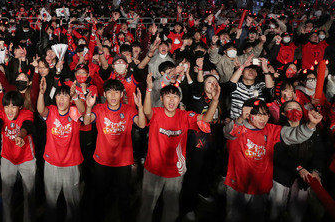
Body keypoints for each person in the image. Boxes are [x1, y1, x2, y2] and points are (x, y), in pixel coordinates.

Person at [223, 98, 323, 222]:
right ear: (248, 114)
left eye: (265, 114)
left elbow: (294, 135)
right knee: (234, 217)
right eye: (258, 114)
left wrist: (311, 125)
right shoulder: (239, 128)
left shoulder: (271, 130)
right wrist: (240, 119)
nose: (262, 118)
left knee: (257, 217)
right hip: (237, 185)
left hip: (260, 187)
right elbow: (228, 133)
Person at [137, 76, 220, 222]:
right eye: (167, 96)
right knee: (147, 207)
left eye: (175, 97)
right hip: (153, 169)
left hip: (175, 171)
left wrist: (215, 101)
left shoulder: (185, 116)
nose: (171, 100)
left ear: (179, 100)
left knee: (171, 208)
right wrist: (149, 90)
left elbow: (206, 119)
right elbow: (147, 111)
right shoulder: (156, 113)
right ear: (161, 99)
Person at [83, 79, 146, 221]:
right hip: (102, 160)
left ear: (122, 94)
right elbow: (87, 122)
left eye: (116, 92)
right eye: (109, 92)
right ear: (104, 94)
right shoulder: (99, 109)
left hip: (123, 161)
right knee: (100, 194)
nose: (113, 96)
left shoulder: (129, 110)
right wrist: (88, 107)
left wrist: (140, 107)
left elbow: (142, 125)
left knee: (123, 195)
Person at [269, 100, 325, 222]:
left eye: (298, 108)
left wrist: (316, 171)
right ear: (283, 113)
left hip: (304, 178)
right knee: (275, 210)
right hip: (281, 177)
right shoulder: (278, 130)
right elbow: (278, 155)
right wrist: (299, 168)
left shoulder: (313, 131)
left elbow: (318, 154)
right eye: (290, 108)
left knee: (297, 214)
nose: (295, 111)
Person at [37, 82, 85, 222]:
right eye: (59, 95)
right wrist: (41, 93)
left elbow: (84, 111)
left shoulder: (74, 111)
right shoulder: (51, 111)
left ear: (69, 100)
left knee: (73, 202)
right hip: (52, 163)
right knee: (51, 201)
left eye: (65, 96)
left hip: (71, 163)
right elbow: (41, 109)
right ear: (55, 98)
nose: (62, 99)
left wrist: (75, 96)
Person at [0, 90, 36, 222]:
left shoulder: (27, 113)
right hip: (8, 158)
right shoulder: (2, 113)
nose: (9, 110)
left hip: (27, 159)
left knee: (29, 195)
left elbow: (27, 125)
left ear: (20, 107)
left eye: (13, 106)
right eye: (7, 106)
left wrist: (21, 135)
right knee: (6, 195)